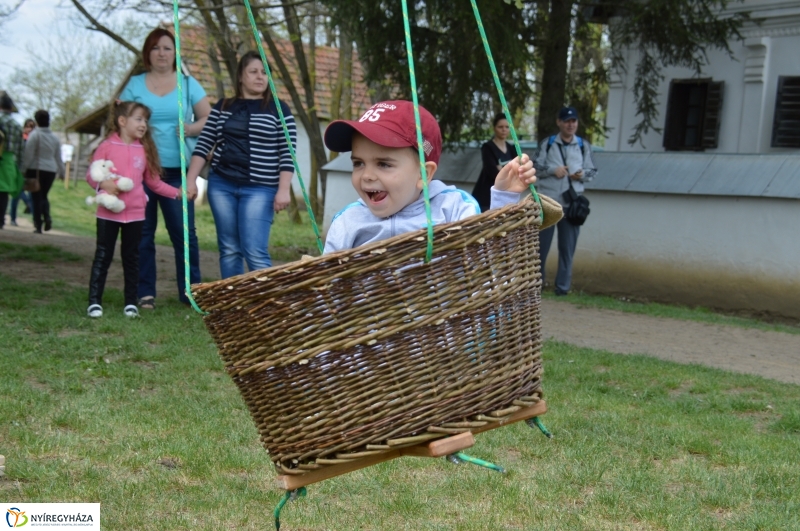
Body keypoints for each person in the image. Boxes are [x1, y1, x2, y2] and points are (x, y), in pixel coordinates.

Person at [322, 100, 536, 254]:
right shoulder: (348, 223)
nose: (367, 176)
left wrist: (504, 198)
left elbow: (489, 262)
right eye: (358, 163)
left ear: (424, 174)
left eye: (383, 164)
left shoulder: (453, 209)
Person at [119, 27, 211, 308]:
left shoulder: (188, 84)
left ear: (176, 53)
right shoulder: (135, 84)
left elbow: (209, 118)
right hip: (140, 171)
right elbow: (120, 121)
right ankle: (144, 292)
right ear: (147, 53)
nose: (161, 53)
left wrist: (189, 128)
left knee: (184, 235)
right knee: (142, 233)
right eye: (156, 48)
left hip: (177, 172)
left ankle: (190, 292)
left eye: (167, 48)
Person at [186, 51, 295, 278]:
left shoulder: (279, 108)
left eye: (264, 72)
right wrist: (190, 180)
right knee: (229, 249)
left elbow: (288, 152)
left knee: (254, 250)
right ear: (240, 77)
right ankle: (232, 298)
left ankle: (265, 298)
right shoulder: (223, 106)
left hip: (261, 188)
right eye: (253, 71)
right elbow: (204, 144)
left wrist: (284, 189)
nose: (260, 77)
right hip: (222, 184)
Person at [86, 101, 182, 319]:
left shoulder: (145, 149)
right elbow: (92, 175)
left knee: (132, 258)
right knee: (103, 255)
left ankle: (130, 302)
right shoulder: (107, 146)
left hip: (136, 214)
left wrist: (178, 193)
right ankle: (94, 302)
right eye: (138, 119)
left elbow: (154, 182)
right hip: (108, 212)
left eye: (145, 120)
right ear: (122, 121)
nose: (143, 124)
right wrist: (103, 185)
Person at [533, 106, 596, 296]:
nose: (570, 125)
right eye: (567, 121)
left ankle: (562, 287)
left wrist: (581, 174)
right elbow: (535, 167)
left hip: (572, 205)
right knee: (540, 247)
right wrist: (553, 170)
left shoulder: (583, 145)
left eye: (573, 121)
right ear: (559, 122)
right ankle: (536, 284)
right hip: (549, 203)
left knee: (567, 248)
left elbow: (592, 171)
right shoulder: (548, 143)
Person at [22, 109, 64, 234]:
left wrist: (23, 169)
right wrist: (62, 171)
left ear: (36, 121)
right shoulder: (55, 138)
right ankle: (47, 217)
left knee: (36, 197)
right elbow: (58, 157)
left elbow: (28, 154)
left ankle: (38, 225)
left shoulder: (34, 135)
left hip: (36, 169)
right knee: (44, 195)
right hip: (50, 170)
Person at [471, 112, 516, 212]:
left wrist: (501, 168)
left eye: (507, 127)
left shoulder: (511, 148)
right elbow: (492, 172)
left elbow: (517, 169)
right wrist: (508, 170)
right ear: (494, 128)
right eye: (500, 127)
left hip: (504, 194)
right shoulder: (488, 147)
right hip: (486, 196)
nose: (504, 130)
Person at [0, 93, 24, 229]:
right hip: (8, 160)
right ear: (11, 108)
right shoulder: (16, 125)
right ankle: (1, 220)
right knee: (3, 192)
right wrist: (20, 166)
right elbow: (20, 148)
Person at [7, 119, 35, 225]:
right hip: (18, 168)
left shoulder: (34, 140)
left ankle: (34, 219)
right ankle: (13, 218)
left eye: (31, 127)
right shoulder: (20, 138)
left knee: (31, 194)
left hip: (30, 169)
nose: (29, 129)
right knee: (17, 193)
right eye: (28, 127)